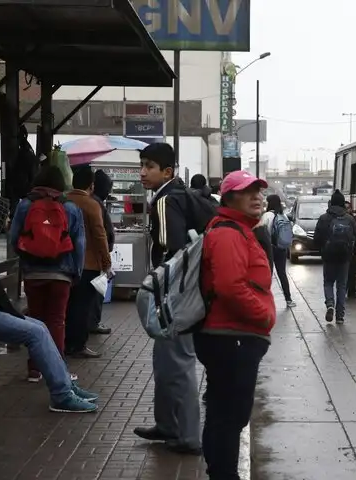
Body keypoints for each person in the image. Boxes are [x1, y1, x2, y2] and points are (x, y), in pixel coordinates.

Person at [0, 194, 99, 412]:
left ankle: (67, 386)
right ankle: (61, 395)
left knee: (40, 326)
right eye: (3, 217)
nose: (6, 223)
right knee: (37, 332)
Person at [196, 170, 275, 480]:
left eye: (259, 190)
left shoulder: (239, 230)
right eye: (248, 191)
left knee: (221, 412)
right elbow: (230, 287)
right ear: (229, 197)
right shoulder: (229, 233)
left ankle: (220, 470)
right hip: (232, 336)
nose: (257, 196)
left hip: (230, 335)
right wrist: (264, 316)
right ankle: (224, 473)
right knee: (231, 415)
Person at [134, 142, 207, 455]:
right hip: (187, 293)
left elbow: (171, 251)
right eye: (142, 165)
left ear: (167, 171)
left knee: (177, 363)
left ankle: (188, 435)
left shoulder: (165, 200)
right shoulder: (182, 195)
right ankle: (166, 424)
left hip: (174, 296)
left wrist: (160, 293)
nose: (142, 172)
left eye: (149, 166)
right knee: (164, 361)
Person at [9, 166, 86, 382]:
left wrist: (28, 257)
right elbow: (79, 243)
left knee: (35, 320)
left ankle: (35, 369)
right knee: (57, 321)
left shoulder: (25, 205)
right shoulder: (70, 207)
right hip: (61, 274)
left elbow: (14, 238)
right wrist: (76, 271)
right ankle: (58, 369)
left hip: (33, 273)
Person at [65, 166, 112, 359]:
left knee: (68, 305)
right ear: (91, 185)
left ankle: (65, 342)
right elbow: (100, 235)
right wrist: (106, 263)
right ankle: (78, 345)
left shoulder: (64, 201)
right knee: (83, 306)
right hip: (89, 263)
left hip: (66, 263)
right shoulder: (91, 204)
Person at [313, 190, 356, 324]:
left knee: (328, 282)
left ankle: (330, 305)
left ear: (331, 203)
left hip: (328, 256)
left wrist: (322, 249)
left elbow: (317, 239)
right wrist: (350, 250)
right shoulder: (349, 219)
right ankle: (340, 316)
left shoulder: (324, 218)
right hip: (344, 257)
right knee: (341, 285)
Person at [89, 169, 115, 335]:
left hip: (92, 255)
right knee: (96, 292)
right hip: (96, 256)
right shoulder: (96, 204)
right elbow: (101, 232)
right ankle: (92, 323)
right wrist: (106, 259)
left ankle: (90, 323)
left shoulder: (92, 201)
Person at [261, 194, 295, 307]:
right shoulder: (283, 215)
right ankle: (288, 299)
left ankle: (265, 300)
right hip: (281, 248)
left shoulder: (267, 216)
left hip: (269, 248)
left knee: (267, 274)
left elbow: (262, 232)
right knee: (282, 274)